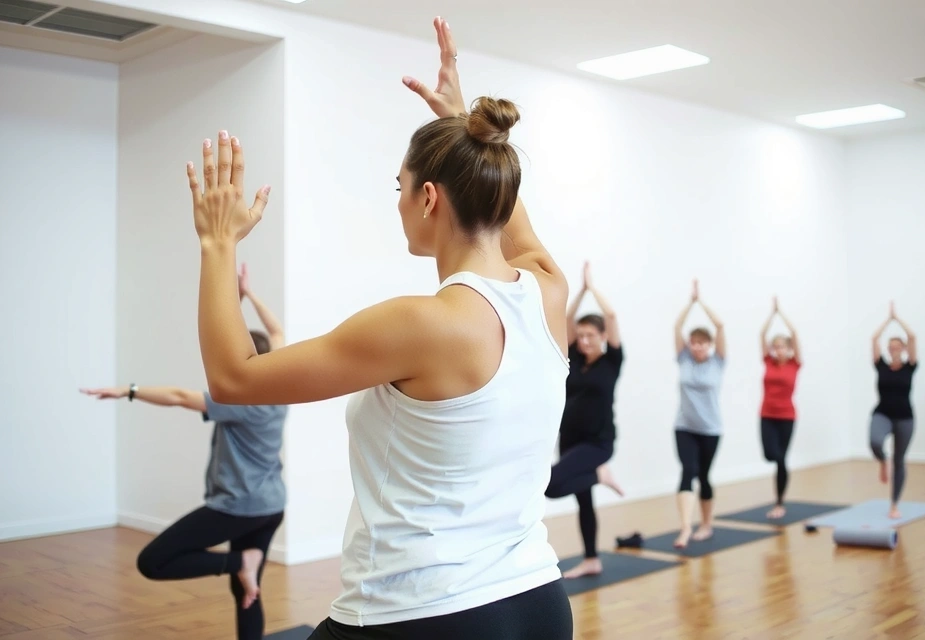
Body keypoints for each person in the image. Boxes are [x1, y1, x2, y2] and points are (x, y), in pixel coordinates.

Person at [182, 16, 574, 640]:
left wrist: (216, 242)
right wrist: (463, 129)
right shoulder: (549, 294)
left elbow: (234, 379)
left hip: (420, 615)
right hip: (538, 603)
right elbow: (512, 225)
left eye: (401, 187)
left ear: (428, 198)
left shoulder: (421, 324)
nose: (397, 201)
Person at [79, 263, 286, 640]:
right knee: (246, 590)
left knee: (153, 561)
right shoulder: (282, 389)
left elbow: (177, 396)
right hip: (271, 506)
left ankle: (241, 561)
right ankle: (244, 566)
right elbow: (277, 332)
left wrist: (127, 390)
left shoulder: (239, 401)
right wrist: (247, 296)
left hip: (238, 505)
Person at [545, 261, 625, 579]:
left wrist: (593, 289)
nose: (584, 340)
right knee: (584, 502)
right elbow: (566, 319)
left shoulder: (612, 361)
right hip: (570, 438)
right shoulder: (575, 358)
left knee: (550, 485)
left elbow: (612, 316)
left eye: (591, 335)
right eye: (581, 336)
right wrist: (579, 293)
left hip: (598, 442)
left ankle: (599, 474)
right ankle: (592, 559)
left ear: (603, 336)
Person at [671, 279, 726, 548]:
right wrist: (689, 303)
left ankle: (706, 524)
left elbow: (720, 326)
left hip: (711, 429)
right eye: (693, 343)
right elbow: (677, 327)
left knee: (704, 476)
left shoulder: (718, 362)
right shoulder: (684, 359)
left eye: (702, 343)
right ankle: (685, 528)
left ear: (710, 345)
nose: (697, 347)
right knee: (688, 471)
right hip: (684, 427)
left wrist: (701, 302)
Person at [869, 301, 918, 519]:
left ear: (904, 349)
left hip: (905, 418)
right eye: (891, 346)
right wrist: (887, 321)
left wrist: (897, 319)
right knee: (875, 442)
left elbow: (912, 337)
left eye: (898, 346)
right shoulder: (881, 365)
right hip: (883, 413)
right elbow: (874, 339)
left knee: (899, 460)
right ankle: (882, 460)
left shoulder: (910, 366)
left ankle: (894, 504)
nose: (894, 349)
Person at [758, 296, 802, 520]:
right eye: (775, 347)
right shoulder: (768, 362)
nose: (778, 350)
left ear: (789, 349)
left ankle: (779, 503)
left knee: (782, 459)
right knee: (769, 454)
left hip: (787, 416)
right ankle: (779, 499)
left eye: (782, 346)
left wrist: (782, 314)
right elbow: (762, 335)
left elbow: (794, 333)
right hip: (767, 414)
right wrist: (771, 315)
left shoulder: (795, 364)